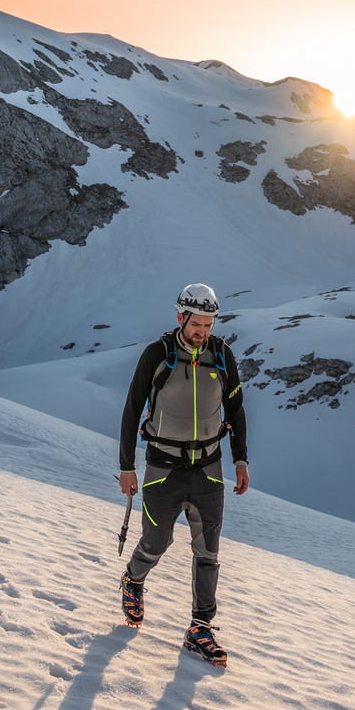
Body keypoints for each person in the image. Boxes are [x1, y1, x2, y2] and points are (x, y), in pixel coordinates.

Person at [117, 283, 250, 667]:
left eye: (209, 325)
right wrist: (127, 466)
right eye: (197, 324)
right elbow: (131, 410)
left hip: (209, 470)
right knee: (156, 542)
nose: (203, 332)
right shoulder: (156, 355)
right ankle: (133, 580)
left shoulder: (222, 356)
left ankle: (200, 627)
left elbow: (236, 410)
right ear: (180, 318)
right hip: (163, 470)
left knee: (208, 552)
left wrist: (240, 459)